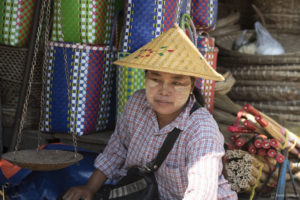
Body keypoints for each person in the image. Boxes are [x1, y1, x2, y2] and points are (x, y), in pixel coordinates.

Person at [62, 24, 237, 200]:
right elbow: (117, 150)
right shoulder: (137, 104)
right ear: (145, 79)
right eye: (155, 79)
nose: (164, 91)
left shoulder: (202, 130)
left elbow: (200, 194)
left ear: (191, 86)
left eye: (176, 83)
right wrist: (90, 188)